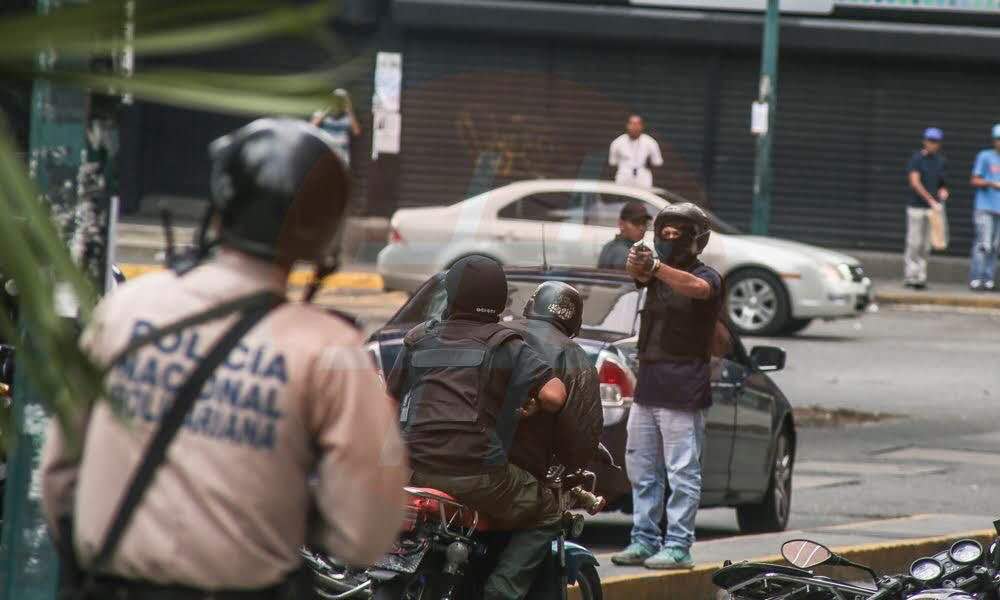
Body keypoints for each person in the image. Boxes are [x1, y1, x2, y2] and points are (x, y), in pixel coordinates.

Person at [40, 118, 409, 599]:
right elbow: (364, 533)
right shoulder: (330, 352)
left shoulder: (126, 309)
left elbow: (57, 481)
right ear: (323, 234)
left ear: (220, 204)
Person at [386, 255, 568, 600]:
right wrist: (531, 403)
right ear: (500, 298)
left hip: (416, 473)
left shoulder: (418, 338)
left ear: (450, 295)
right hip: (481, 476)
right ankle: (501, 589)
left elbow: (388, 405)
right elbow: (555, 396)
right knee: (549, 508)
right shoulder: (507, 344)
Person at [611, 202, 723, 571]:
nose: (669, 238)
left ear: (696, 240)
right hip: (649, 382)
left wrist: (657, 267)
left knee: (682, 470)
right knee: (641, 466)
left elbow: (697, 288)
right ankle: (643, 539)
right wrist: (640, 261)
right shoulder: (655, 276)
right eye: (665, 232)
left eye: (678, 234)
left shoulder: (707, 276)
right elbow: (637, 272)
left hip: (684, 383)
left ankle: (679, 545)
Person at [904, 127, 949, 290]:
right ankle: (910, 276)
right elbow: (914, 182)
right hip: (916, 207)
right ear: (924, 141)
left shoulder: (941, 161)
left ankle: (921, 277)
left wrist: (943, 193)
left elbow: (943, 185)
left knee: (926, 245)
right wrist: (929, 199)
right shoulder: (916, 159)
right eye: (930, 140)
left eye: (935, 141)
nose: (932, 144)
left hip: (932, 209)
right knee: (913, 242)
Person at [969, 124, 1000, 291]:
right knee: (983, 243)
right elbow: (974, 180)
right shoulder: (985, 156)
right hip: (985, 207)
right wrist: (990, 183)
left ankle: (989, 279)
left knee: (995, 245)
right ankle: (976, 277)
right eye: (998, 139)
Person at [310, 88, 362, 168]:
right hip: (325, 155)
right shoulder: (321, 113)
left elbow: (357, 132)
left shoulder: (347, 117)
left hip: (342, 156)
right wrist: (328, 109)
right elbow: (311, 127)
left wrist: (349, 110)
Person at [609, 114, 663, 189]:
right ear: (627, 125)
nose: (634, 127)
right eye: (632, 124)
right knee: (623, 197)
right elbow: (612, 162)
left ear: (642, 126)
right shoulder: (618, 142)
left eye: (637, 124)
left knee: (644, 197)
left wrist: (648, 164)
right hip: (624, 174)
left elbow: (657, 162)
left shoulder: (650, 142)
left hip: (643, 174)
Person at [598, 200, 652, 270]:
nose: (642, 228)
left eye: (644, 222)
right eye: (636, 222)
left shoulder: (608, 246)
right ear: (621, 224)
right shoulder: (627, 255)